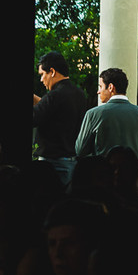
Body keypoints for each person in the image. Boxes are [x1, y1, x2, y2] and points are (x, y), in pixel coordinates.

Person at [75, 67, 138, 196]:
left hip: (105, 191)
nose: (98, 91)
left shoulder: (93, 114)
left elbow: (80, 150)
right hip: (137, 191)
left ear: (110, 87)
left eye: (100, 86)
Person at [32, 52, 88, 189]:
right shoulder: (79, 94)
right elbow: (54, 111)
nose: (41, 80)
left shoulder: (55, 95)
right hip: (72, 163)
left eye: (42, 74)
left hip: (52, 164)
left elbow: (34, 118)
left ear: (51, 71)